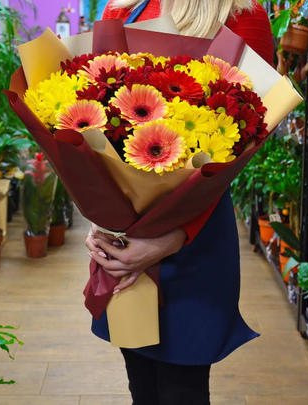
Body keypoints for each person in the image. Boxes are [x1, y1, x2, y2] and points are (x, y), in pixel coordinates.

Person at [85, 1, 274, 404]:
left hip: (194, 239)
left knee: (181, 391)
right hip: (123, 236)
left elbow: (244, 141)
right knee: (142, 386)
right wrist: (100, 218)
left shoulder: (243, 14)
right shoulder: (121, 8)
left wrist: (172, 238)